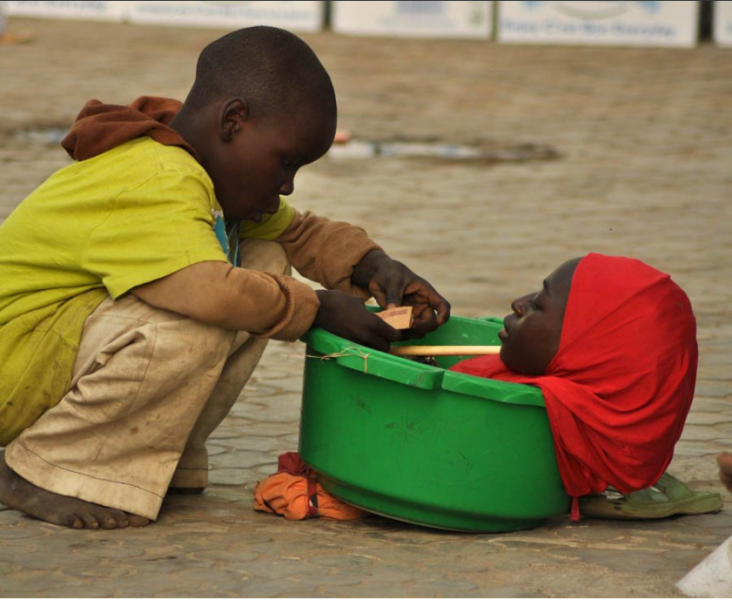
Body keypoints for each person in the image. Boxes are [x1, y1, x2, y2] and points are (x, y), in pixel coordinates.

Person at [0, 26, 450, 530]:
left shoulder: (201, 166)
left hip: (49, 355)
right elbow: (208, 293)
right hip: (14, 365)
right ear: (234, 121)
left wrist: (373, 267)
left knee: (264, 256)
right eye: (286, 161)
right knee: (204, 311)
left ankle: (142, 457)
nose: (287, 184)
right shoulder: (156, 175)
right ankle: (45, 467)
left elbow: (297, 232)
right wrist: (317, 309)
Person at [451, 253, 721, 519]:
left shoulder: (545, 401)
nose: (518, 304)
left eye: (537, 305)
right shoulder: (609, 417)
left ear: (585, 351)